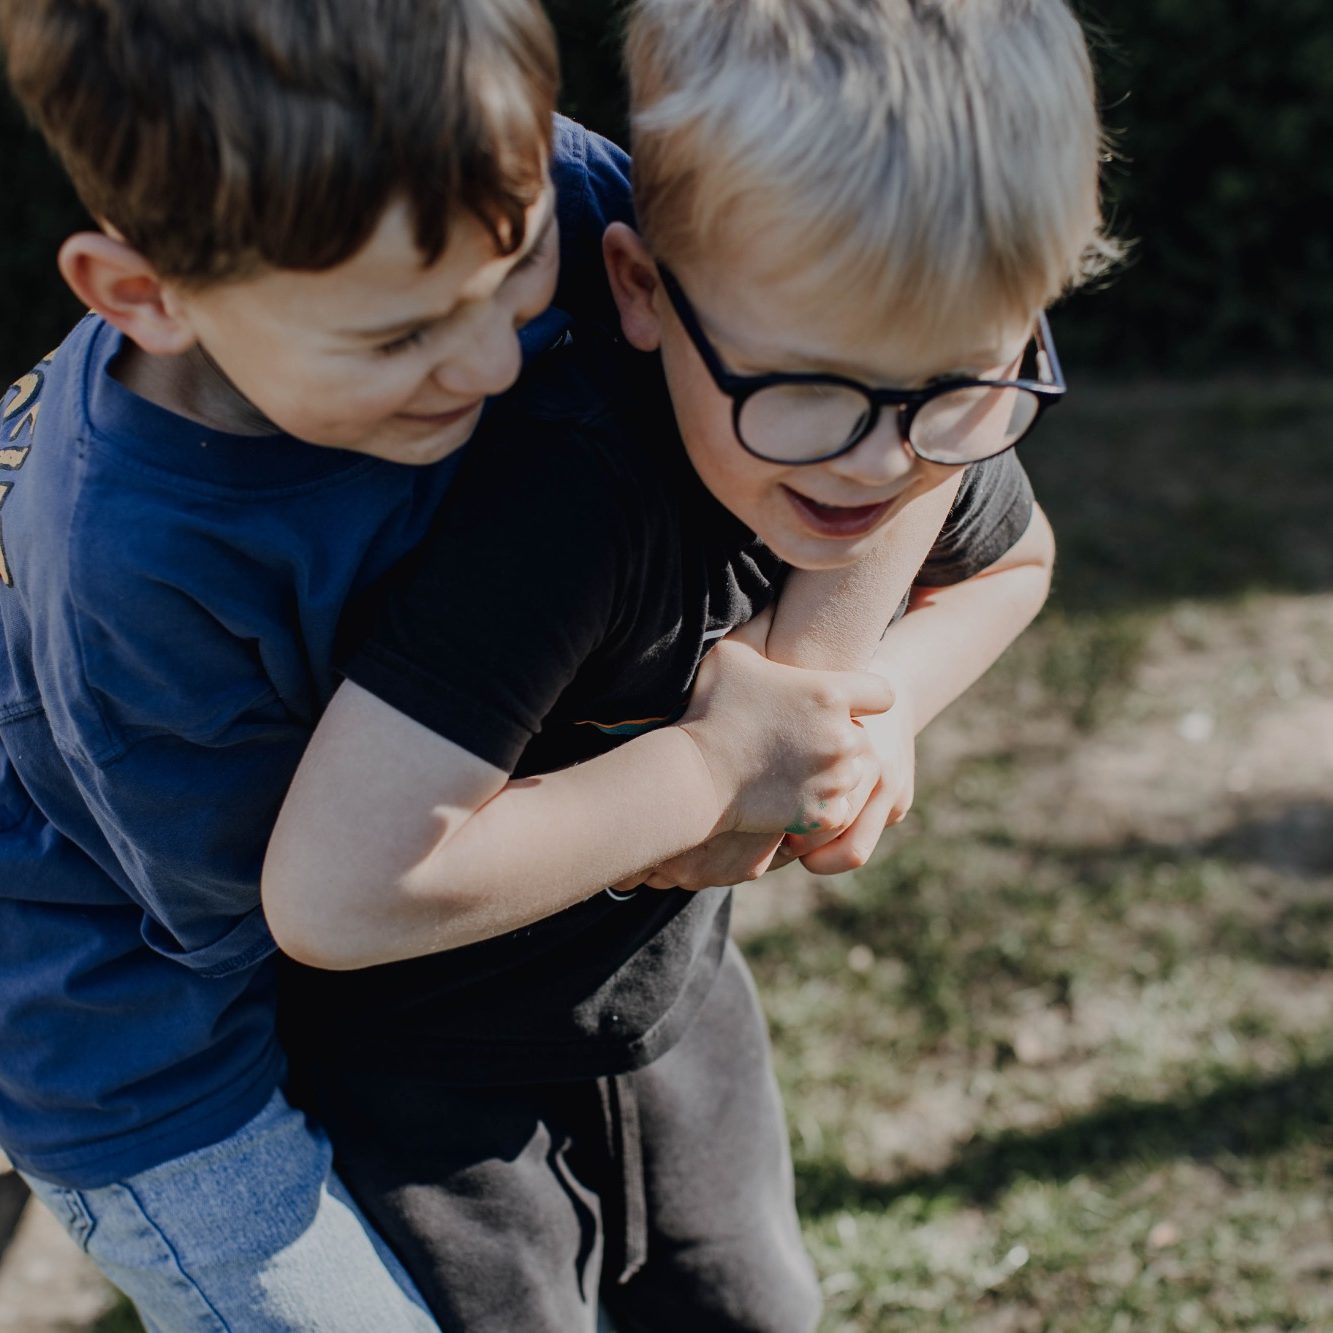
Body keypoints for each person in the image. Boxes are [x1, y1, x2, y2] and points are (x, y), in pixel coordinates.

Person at [0, 1, 948, 1327]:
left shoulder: (491, 176)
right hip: (137, 1030)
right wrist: (708, 771)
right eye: (400, 337)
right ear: (144, 295)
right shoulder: (138, 571)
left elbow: (898, 346)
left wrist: (819, 680)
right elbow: (329, 904)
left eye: (520, 264)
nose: (497, 356)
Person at [261, 0, 1118, 1327]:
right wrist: (713, 772)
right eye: (805, 388)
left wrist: (873, 713)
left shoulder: (888, 416)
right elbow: (336, 893)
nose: (880, 462)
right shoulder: (570, 508)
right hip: (433, 1090)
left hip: (673, 1011)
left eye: (964, 385)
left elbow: (1013, 563)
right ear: (643, 291)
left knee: (750, 1305)